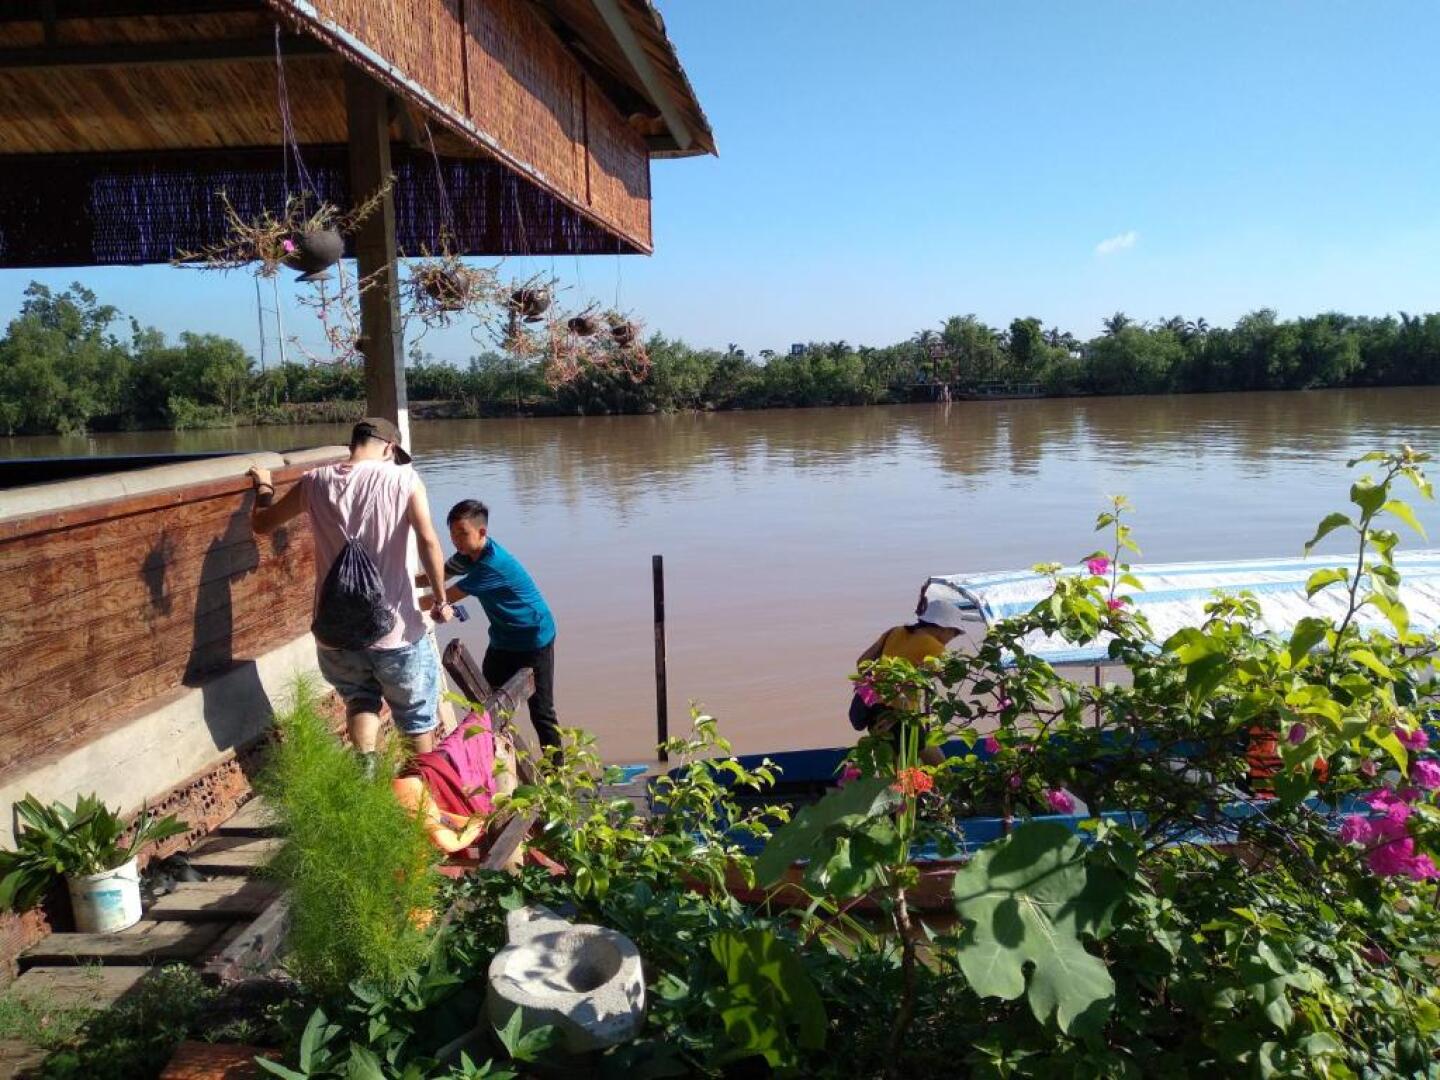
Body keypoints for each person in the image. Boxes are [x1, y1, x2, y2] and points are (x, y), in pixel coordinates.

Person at [248, 417, 456, 766]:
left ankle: (366, 775)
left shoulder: (314, 482)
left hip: (336, 633)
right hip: (398, 634)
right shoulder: (404, 478)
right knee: (417, 716)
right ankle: (423, 797)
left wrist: (264, 487)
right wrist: (440, 600)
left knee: (360, 700)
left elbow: (262, 523)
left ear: (354, 444)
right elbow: (428, 541)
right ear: (390, 448)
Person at [421, 500, 561, 752]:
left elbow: (443, 596)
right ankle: (495, 758)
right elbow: (435, 576)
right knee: (484, 700)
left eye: (462, 534)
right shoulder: (467, 556)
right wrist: (398, 577)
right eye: (453, 535)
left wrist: (395, 602)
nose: (456, 541)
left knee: (541, 712)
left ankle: (556, 774)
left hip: (534, 637)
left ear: (482, 532)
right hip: (503, 638)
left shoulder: (490, 566)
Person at [851, 592, 969, 766]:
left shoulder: (895, 631)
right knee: (931, 764)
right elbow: (947, 680)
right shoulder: (935, 648)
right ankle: (952, 790)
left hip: (873, 710)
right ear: (943, 628)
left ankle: (930, 790)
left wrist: (878, 689)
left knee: (903, 759)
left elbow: (862, 663)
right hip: (900, 715)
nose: (952, 639)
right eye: (955, 633)